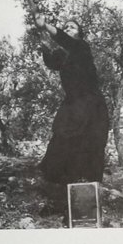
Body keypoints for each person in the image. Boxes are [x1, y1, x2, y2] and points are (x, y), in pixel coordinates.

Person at [34, 15, 110, 189]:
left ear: (79, 34)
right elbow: (52, 62)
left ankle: (88, 192)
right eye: (66, 26)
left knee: (90, 145)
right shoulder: (63, 54)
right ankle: (65, 186)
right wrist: (43, 40)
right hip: (73, 104)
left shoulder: (82, 47)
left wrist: (45, 25)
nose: (68, 28)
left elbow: (63, 38)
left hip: (91, 105)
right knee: (62, 138)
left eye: (72, 27)